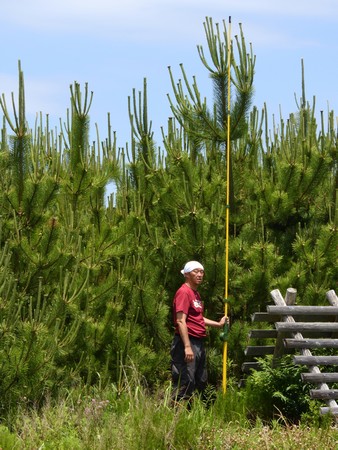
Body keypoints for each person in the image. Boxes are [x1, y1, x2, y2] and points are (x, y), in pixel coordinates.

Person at [170, 260, 229, 402]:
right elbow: (180, 320)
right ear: (187, 274)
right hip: (187, 341)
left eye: (201, 272)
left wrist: (218, 324)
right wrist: (187, 347)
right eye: (195, 271)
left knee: (200, 380)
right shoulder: (183, 292)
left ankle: (194, 413)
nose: (200, 274)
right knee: (185, 380)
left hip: (198, 342)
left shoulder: (195, 294)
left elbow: (197, 317)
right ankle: (177, 414)